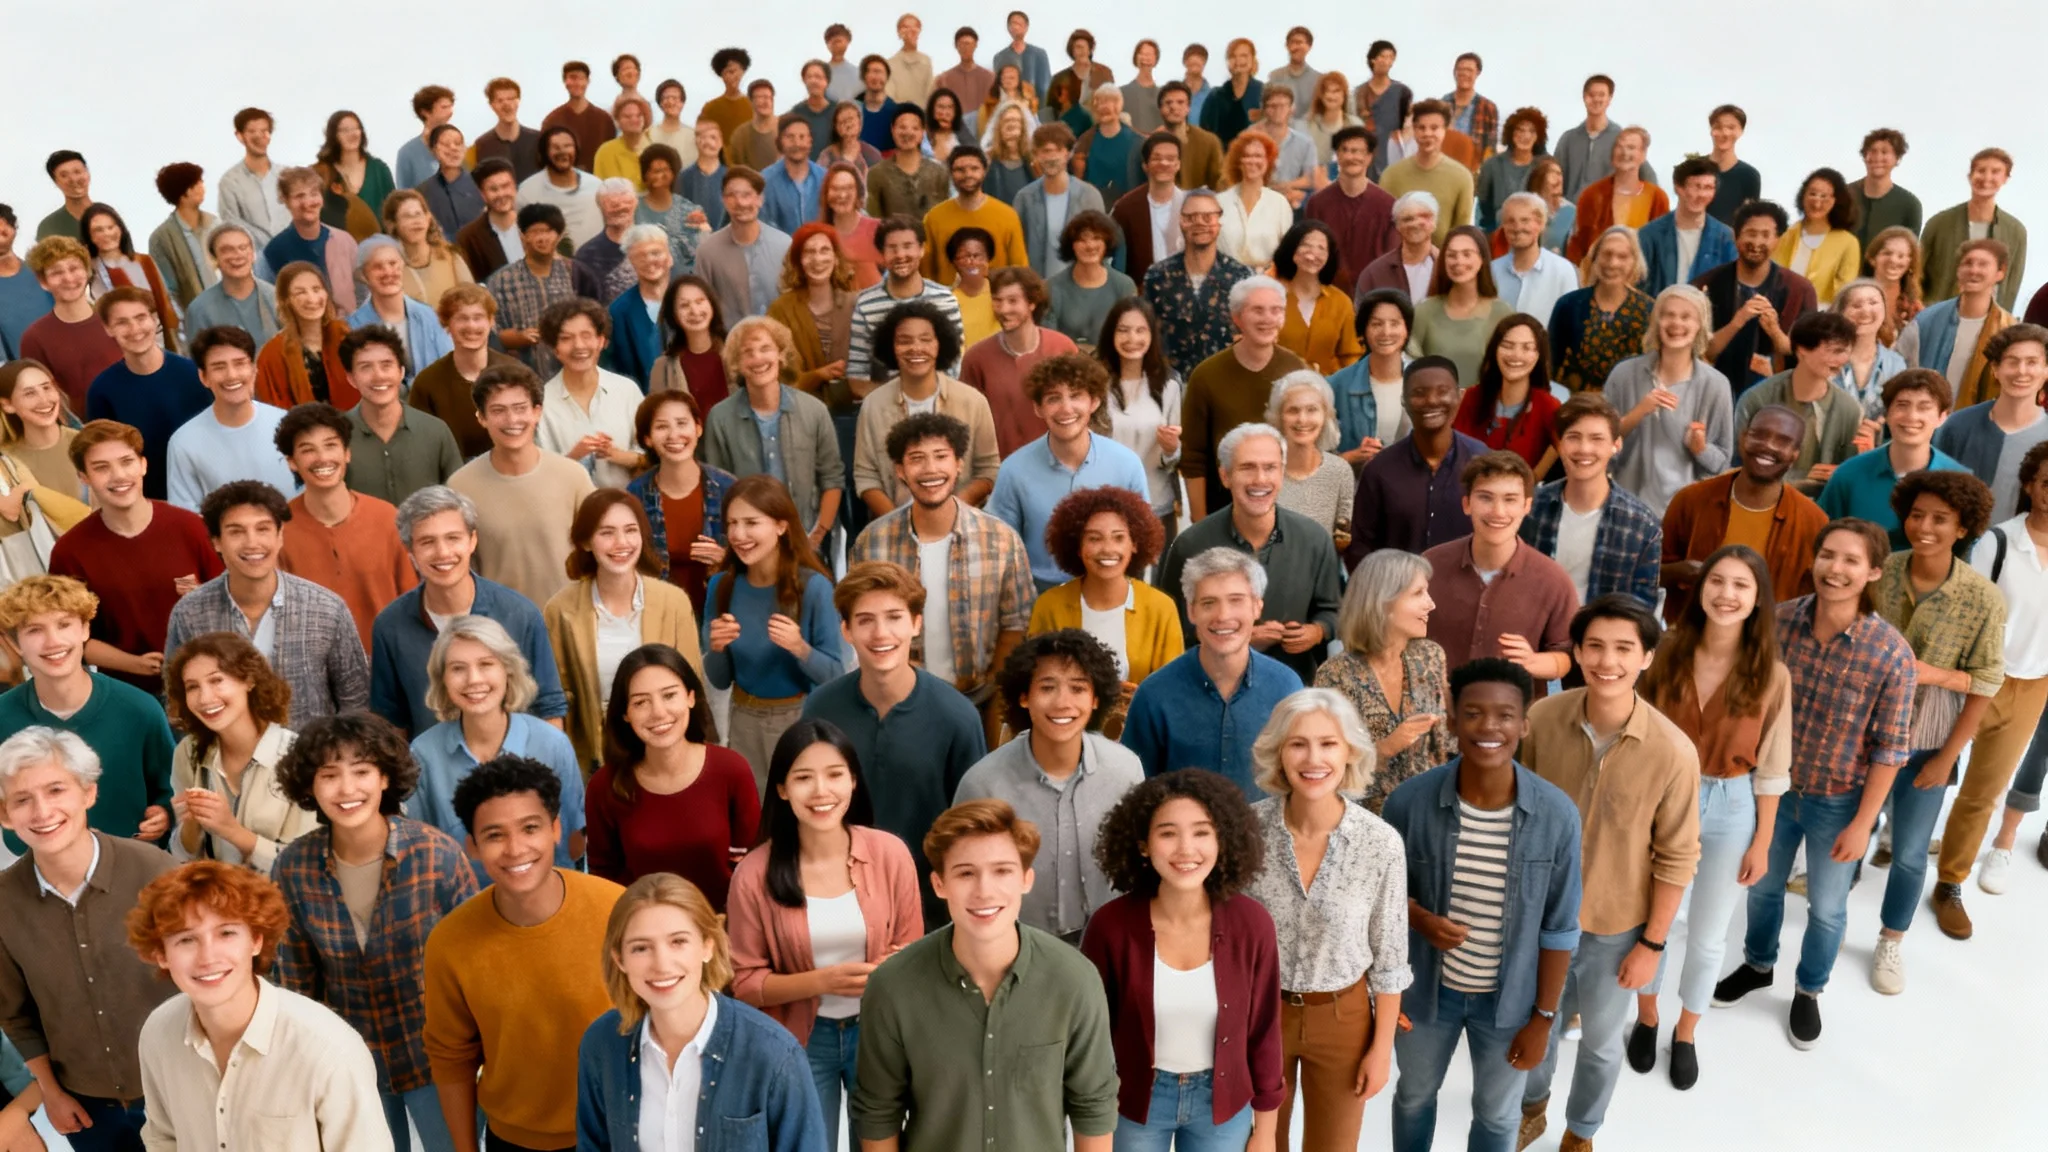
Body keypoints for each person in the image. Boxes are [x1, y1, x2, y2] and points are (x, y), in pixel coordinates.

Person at [1713, 519, 1915, 1051]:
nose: (1836, 569)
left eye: (1851, 560)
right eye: (1828, 555)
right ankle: (1758, 964)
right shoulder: (1777, 623)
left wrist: (1863, 823)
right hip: (1772, 792)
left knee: (1827, 908)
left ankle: (1808, 989)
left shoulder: (1890, 653)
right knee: (1761, 888)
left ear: (1873, 571)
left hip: (1839, 800)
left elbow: (1891, 750)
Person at [1515, 596, 1699, 1151]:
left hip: (1616, 928)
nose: (1607, 660)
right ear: (1575, 651)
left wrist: (1652, 943)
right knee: (1535, 1025)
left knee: (1598, 1042)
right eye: (1594, 645)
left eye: (1624, 648)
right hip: (1539, 916)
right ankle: (1532, 1108)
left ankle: (1581, 1130)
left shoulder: (1672, 751)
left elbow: (1676, 858)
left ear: (1646, 658)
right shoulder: (1542, 720)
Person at [1382, 658, 1583, 1151]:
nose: (1489, 727)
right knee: (1413, 1096)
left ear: (1524, 724)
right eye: (1473, 713)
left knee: (1496, 1117)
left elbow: (1560, 928)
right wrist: (1420, 919)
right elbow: (1381, 902)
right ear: (1452, 721)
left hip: (1511, 1003)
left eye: (1505, 715)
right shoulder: (1408, 803)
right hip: (1426, 996)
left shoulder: (1556, 815)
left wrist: (1543, 1020)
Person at [851, 797, 1119, 1151]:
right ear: (939, 884)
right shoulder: (893, 986)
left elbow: (1094, 1107)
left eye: (1002, 871)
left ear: (1026, 879)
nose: (984, 891)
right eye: (965, 873)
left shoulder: (1074, 980)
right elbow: (878, 1114)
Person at [1620, 545, 1790, 1089]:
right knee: (1656, 921)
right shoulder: (1665, 651)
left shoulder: (1772, 674)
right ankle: (1647, 1017)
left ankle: (1687, 1030)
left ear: (1757, 598)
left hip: (1731, 803)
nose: (1727, 594)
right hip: (1662, 798)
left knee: (1711, 934)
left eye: (1741, 585)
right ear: (1700, 588)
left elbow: (1773, 766)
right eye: (1718, 581)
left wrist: (1762, 839)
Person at [271, 711, 478, 1152]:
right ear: (310, 786)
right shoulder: (293, 867)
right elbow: (295, 985)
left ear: (385, 779)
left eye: (362, 771)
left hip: (436, 1059)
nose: (347, 789)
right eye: (329, 775)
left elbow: (478, 968)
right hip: (349, 1065)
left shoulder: (437, 855)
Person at [722, 718, 921, 1147]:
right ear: (781, 788)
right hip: (801, 1041)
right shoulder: (754, 874)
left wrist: (892, 967)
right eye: (803, 778)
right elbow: (744, 982)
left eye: (834, 775)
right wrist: (823, 982)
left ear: (853, 780)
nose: (821, 792)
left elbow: (913, 949)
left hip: (878, 1033)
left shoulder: (891, 855)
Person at [422, 754, 624, 1152]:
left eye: (530, 828)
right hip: (514, 1141)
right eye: (495, 835)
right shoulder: (450, 941)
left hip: (621, 1134)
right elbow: (451, 1059)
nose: (515, 849)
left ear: (555, 829)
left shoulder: (616, 910)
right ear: (473, 847)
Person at [1242, 689, 1410, 1152]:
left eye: (1328, 744)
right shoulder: (1245, 832)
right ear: (1278, 752)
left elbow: (1391, 958)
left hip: (1343, 1016)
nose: (1313, 758)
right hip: (1259, 1014)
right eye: (1298, 744)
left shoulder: (1380, 844)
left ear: (1350, 752)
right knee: (1258, 1145)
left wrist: (1381, 1050)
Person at [1081, 768, 1284, 1149]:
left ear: (1222, 840)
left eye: (1202, 832)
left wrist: (1268, 1131)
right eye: (1168, 833)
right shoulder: (1109, 927)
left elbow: (1264, 1032)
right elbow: (1091, 1039)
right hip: (1134, 1102)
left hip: (1222, 1105)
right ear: (1143, 844)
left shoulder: (1252, 924)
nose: (1186, 849)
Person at [128, 859, 389, 1151]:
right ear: (161, 955)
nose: (208, 957)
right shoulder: (158, 1033)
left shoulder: (329, 1050)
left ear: (256, 941)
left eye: (226, 933)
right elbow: (162, 1138)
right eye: (186, 939)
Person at [0, 724, 175, 1152]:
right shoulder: (3, 902)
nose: (42, 812)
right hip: (85, 1108)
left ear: (88, 793)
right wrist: (51, 1094)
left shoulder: (158, 873)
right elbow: (16, 1015)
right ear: (5, 816)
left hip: (179, 1092)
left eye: (56, 790)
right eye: (22, 799)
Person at [577, 870, 828, 1152]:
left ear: (707, 946)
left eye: (678, 942)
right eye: (641, 948)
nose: (661, 964)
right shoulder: (601, 1044)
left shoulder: (774, 1054)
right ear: (619, 959)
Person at [797, 561, 990, 925]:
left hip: (928, 909)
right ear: (847, 630)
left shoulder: (957, 717)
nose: (880, 633)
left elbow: (973, 827)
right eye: (866, 620)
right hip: (836, 900)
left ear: (916, 624)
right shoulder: (821, 707)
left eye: (894, 617)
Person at [1870, 471, 2003, 957]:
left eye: (1941, 519)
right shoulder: (1881, 570)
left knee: (1909, 852)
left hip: (1928, 738)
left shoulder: (1982, 598)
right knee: (1848, 829)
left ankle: (1892, 939)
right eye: (1917, 514)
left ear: (1964, 527)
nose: (1924, 526)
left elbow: (1987, 681)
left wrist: (1946, 759)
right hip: (1864, 731)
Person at [955, 629, 1143, 942]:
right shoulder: (983, 783)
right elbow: (964, 881)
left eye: (1078, 688)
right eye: (1047, 687)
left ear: (1096, 699)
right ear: (1024, 696)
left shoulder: (1126, 770)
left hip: (1110, 944)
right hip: (1015, 946)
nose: (1062, 703)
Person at [163, 479, 369, 727]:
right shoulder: (190, 614)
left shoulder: (327, 609)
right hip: (225, 761)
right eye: (236, 531)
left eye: (263, 529)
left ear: (280, 535)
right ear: (216, 541)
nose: (252, 543)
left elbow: (356, 703)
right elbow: (177, 703)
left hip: (309, 760)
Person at [368, 486, 569, 738]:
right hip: (431, 773)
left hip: (517, 770)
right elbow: (390, 723)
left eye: (453, 538)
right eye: (427, 542)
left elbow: (549, 709)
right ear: (411, 553)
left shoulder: (520, 614)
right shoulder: (390, 626)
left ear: (472, 541)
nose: (443, 553)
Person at [45, 423, 223, 694]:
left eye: (127, 462)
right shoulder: (70, 551)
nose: (118, 476)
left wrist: (202, 597)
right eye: (102, 467)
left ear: (143, 465)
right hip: (126, 691)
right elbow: (70, 636)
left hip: (206, 681)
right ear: (84, 477)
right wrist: (134, 664)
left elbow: (232, 606)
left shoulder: (191, 528)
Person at [406, 612, 584, 879]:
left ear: (508, 671)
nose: (473, 679)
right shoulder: (423, 754)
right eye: (458, 668)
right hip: (462, 909)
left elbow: (572, 845)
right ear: (442, 679)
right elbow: (422, 854)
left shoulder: (552, 744)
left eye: (486, 664)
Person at [542, 490, 706, 773]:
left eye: (631, 531)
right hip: (595, 760)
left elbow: (693, 685)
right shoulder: (560, 609)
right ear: (585, 542)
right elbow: (556, 698)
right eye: (607, 532)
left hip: (666, 751)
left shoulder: (673, 601)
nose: (621, 543)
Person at [586, 643, 757, 904]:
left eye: (669, 695)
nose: (658, 712)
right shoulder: (604, 786)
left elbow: (753, 865)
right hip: (642, 931)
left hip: (724, 927)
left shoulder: (732, 770)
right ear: (625, 714)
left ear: (690, 696)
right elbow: (603, 877)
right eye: (641, 702)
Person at [702, 475, 846, 782]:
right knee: (753, 818)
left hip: (799, 719)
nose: (739, 534)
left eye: (751, 523)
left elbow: (835, 674)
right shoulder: (721, 586)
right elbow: (719, 679)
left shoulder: (815, 587)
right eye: (732, 523)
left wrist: (800, 648)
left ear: (781, 526)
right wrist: (716, 649)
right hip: (741, 718)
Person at [1122, 548, 1299, 797]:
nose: (1223, 616)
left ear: (1257, 607)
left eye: (1236, 600)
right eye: (1208, 603)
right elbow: (1135, 792)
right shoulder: (1154, 695)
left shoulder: (1287, 687)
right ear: (1191, 611)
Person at [988, 353, 1150, 592]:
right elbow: (1000, 549)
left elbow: (1142, 542)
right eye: (1054, 398)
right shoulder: (1014, 470)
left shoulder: (1127, 464)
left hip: (1109, 594)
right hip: (1038, 600)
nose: (1066, 408)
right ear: (1038, 408)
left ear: (1094, 402)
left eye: (1076, 396)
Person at [1963, 442, 2048, 893]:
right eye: (2047, 482)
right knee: (1939, 756)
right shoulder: (1998, 542)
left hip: (2039, 680)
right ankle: (1908, 835)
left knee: (2000, 776)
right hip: (1984, 675)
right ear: (2031, 485)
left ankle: (2003, 841)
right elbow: (1969, 612)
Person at [1312, 549, 1454, 813]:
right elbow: (1325, 764)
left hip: (1428, 816)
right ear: (1383, 602)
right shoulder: (1335, 675)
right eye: (1418, 593)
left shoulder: (1431, 657)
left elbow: (1443, 744)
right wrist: (1386, 747)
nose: (1431, 604)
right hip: (1365, 822)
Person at [1420, 452, 1578, 687]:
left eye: (1510, 499)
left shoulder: (1553, 580)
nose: (1498, 512)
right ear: (1466, 504)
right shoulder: (1429, 566)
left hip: (1514, 718)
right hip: (1436, 714)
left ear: (1527, 506)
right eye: (1486, 498)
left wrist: (1533, 661)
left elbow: (1566, 656)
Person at [445, 362, 595, 609]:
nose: (512, 419)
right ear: (481, 418)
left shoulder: (574, 477)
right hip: (498, 624)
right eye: (498, 410)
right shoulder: (461, 485)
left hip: (568, 619)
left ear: (537, 412)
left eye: (520, 408)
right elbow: (463, 566)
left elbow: (596, 550)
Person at [1661, 404, 1828, 621]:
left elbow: (1814, 599)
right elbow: (1652, 572)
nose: (1768, 446)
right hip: (1691, 636)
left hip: (1767, 644)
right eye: (1759, 435)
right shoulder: (1691, 500)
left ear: (1796, 454)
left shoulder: (1812, 521)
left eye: (1782, 441)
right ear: (1742, 438)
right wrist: (1681, 571)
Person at [162, 631, 313, 870]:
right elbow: (182, 855)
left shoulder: (301, 757)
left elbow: (305, 866)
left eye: (216, 680)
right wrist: (191, 824)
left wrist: (230, 830)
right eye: (192, 687)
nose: (205, 697)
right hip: (215, 901)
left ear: (249, 680)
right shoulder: (188, 753)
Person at [853, 298, 1000, 511]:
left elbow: (989, 470)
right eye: (904, 341)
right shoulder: (873, 405)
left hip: (962, 524)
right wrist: (898, 522)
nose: (916, 348)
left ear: (940, 344)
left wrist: (952, 510)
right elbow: (866, 477)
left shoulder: (973, 401)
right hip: (894, 528)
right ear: (891, 347)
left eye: (925, 339)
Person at [1028, 484, 1182, 688]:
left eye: (1118, 538)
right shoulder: (1049, 606)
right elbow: (1035, 682)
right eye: (1094, 538)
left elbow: (1172, 688)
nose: (1108, 549)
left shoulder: (1161, 608)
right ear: (1078, 547)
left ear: (1134, 544)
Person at [1179, 277, 1307, 521]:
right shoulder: (1206, 375)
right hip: (1223, 508)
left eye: (1276, 310)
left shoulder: (1297, 370)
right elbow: (1193, 457)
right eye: (1257, 310)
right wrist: (1200, 519)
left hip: (1287, 505)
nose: (1267, 318)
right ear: (1237, 318)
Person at [1603, 284, 1736, 516]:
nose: (1676, 324)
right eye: (1668, 315)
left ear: (1700, 326)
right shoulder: (1623, 375)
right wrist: (1638, 412)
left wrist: (1700, 448)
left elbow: (1722, 464)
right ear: (1656, 321)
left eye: (1686, 317)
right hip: (1625, 506)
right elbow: (1601, 444)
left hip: (1684, 514)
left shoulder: (1717, 385)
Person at [1522, 394, 1664, 610]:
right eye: (1573, 437)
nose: (1584, 449)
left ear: (1616, 445)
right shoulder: (1529, 508)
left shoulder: (1643, 525)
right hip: (1532, 636)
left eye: (1596, 439)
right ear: (1559, 444)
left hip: (1601, 639)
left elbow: (1642, 609)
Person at [1346, 358, 1488, 564]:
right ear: (1403, 400)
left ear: (1460, 396)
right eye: (1419, 393)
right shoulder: (1380, 470)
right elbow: (1360, 549)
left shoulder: (1482, 463)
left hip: (1466, 593)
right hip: (1396, 592)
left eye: (1442, 391)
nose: (1431, 400)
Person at [1818, 369, 1968, 547]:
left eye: (1924, 407)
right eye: (1902, 405)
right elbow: (1821, 538)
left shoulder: (1960, 482)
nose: (1912, 416)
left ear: (1942, 417)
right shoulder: (1848, 475)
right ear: (1887, 414)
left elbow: (1965, 554)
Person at [84, 288, 210, 499]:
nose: (135, 329)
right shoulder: (102, 391)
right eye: (122, 322)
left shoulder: (194, 374)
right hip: (150, 500)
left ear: (154, 319)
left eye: (141, 318)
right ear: (108, 328)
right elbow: (104, 455)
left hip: (206, 487)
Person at [627, 389, 736, 617]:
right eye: (662, 427)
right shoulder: (634, 495)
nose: (673, 435)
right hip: (658, 613)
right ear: (647, 438)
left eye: (681, 423)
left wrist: (726, 558)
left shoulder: (728, 488)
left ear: (698, 428)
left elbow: (759, 555)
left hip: (721, 613)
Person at [1694, 200, 1818, 395]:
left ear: (1778, 240)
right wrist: (1737, 322)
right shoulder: (1705, 284)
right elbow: (1700, 350)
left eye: (1766, 235)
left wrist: (1775, 331)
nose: (1757, 243)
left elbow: (1807, 352)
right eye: (1751, 233)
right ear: (1736, 236)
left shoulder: (1799, 289)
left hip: (1778, 393)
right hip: (1714, 389)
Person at [165, 326, 295, 512]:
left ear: (253, 369)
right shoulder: (184, 442)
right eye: (219, 367)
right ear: (203, 377)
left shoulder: (286, 424)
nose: (232, 375)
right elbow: (186, 515)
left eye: (240, 363)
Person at [1733, 311, 1867, 491]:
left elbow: (1849, 474)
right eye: (1835, 351)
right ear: (1802, 350)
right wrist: (1802, 478)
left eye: (1846, 351)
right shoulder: (1757, 398)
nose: (1842, 360)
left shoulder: (1849, 409)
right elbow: (1739, 462)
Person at [336, 327, 464, 507]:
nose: (379, 376)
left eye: (386, 365)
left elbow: (459, 500)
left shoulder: (435, 431)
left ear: (401, 372)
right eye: (366, 367)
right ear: (351, 378)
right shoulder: (337, 436)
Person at [959, 266, 1080, 456]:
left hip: (1057, 462)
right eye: (997, 301)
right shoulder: (976, 358)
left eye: (1012, 301)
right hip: (1000, 469)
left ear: (1032, 303)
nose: (1004, 309)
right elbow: (967, 421)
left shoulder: (1062, 348)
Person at [1933, 324, 2048, 522]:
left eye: (2032, 362)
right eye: (2012, 362)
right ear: (1995, 369)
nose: (2021, 371)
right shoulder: (1957, 426)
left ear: (2046, 370)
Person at [532, 299, 642, 489]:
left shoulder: (626, 390)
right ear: (555, 348)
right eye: (566, 338)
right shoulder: (542, 402)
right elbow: (539, 475)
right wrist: (575, 457)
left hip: (627, 505)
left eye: (587, 335)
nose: (579, 346)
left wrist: (617, 455)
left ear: (601, 341)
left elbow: (652, 452)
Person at [486, 203, 603, 380]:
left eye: (548, 231)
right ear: (522, 236)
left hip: (575, 373)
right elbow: (491, 332)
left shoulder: (577, 274)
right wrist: (518, 337)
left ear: (560, 234)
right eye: (535, 232)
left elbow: (599, 323)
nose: (542, 238)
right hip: (522, 377)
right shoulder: (501, 280)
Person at [1142, 188, 1251, 376]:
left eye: (1208, 217)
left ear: (1219, 221)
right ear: (1181, 221)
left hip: (1225, 378)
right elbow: (1146, 330)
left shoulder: (1241, 276)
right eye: (1191, 217)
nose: (1199, 223)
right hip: (1170, 383)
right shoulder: (1157, 276)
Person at [1903, 238, 2016, 409]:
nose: (1973, 270)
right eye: (1967, 263)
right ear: (1958, 270)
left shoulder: (2009, 331)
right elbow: (1900, 372)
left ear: (2000, 273)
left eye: (1983, 264)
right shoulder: (1926, 321)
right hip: (1924, 421)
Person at [17, 237, 122, 410]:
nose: (68, 278)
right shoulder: (34, 338)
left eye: (74, 268)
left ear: (87, 272)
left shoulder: (115, 318)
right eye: (56, 272)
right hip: (84, 431)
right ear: (43, 282)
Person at [1548, 226, 1653, 395]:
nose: (1613, 263)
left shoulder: (1648, 311)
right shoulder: (1569, 305)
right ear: (1595, 257)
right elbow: (1550, 363)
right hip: (1575, 406)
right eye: (1607, 254)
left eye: (1622, 256)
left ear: (1634, 262)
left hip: (1627, 409)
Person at [1919, 147, 2027, 311]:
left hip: (1988, 319)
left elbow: (2012, 284)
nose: (1986, 178)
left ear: (2005, 178)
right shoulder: (1939, 223)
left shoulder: (2016, 231)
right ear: (1970, 176)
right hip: (1938, 313)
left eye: (1995, 172)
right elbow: (1918, 270)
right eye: (1981, 171)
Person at [1453, 314, 1560, 473]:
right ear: (1495, 349)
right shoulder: (1472, 396)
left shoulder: (1548, 406)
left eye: (1527, 348)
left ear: (1539, 355)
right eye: (1507, 345)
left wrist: (1535, 478)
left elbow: (1566, 449)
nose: (1516, 355)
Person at [1327, 289, 1414, 466]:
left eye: (1395, 323)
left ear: (1407, 329)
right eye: (1376, 324)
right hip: (1357, 487)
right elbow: (1316, 457)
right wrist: (1350, 457)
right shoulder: (1336, 386)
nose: (1386, 332)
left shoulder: (1425, 381)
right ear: (1363, 330)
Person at [252, 262, 354, 412]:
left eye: (316, 289)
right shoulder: (271, 356)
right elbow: (275, 413)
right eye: (300, 292)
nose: (312, 298)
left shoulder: (345, 336)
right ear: (286, 301)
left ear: (326, 293)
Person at [349, 240, 455, 382]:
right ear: (364, 275)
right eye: (378, 267)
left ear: (402, 266)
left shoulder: (429, 315)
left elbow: (449, 366)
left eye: (393, 264)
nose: (388, 272)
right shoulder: (352, 326)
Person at [1268, 371, 1355, 542]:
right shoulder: (1265, 470)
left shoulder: (1339, 471)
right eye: (1293, 410)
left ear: (1326, 416)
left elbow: (1342, 538)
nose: (1302, 419)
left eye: (1312, 410)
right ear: (1279, 417)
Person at [261, 169, 361, 312]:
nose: (308, 202)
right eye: (299, 196)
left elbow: (362, 288)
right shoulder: (274, 251)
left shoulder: (344, 241)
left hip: (348, 328)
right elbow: (270, 303)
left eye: (314, 194)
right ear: (286, 200)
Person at [1563, 127, 1668, 263]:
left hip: (1641, 279)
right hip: (1599, 275)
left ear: (1643, 155)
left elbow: (1662, 246)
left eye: (1631, 147)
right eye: (1619, 146)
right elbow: (1578, 244)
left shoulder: (1656, 197)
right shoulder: (1592, 195)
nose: (1624, 152)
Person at [79, 204, 178, 348]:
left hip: (157, 339)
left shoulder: (144, 261)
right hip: (118, 344)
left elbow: (164, 304)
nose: (107, 233)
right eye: (98, 230)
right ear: (89, 236)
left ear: (120, 229)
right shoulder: (89, 270)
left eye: (111, 227)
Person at [1272, 221, 1362, 376]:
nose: (1313, 253)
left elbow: (1350, 355)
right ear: (1291, 249)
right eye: (1306, 245)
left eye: (1322, 248)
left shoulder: (1341, 302)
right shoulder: (1270, 295)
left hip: (1328, 389)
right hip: (1277, 386)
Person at [1381, 101, 1475, 246]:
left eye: (1434, 128)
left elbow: (1462, 230)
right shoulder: (1391, 175)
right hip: (1400, 260)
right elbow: (1384, 226)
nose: (1427, 134)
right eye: (1421, 128)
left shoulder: (1462, 177)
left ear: (1445, 130)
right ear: (1414, 129)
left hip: (1442, 261)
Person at [1638, 157, 1737, 295]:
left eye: (1708, 188)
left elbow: (1732, 286)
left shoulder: (1726, 238)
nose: (1701, 194)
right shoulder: (1649, 235)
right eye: (1695, 186)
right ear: (1678, 188)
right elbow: (1638, 285)